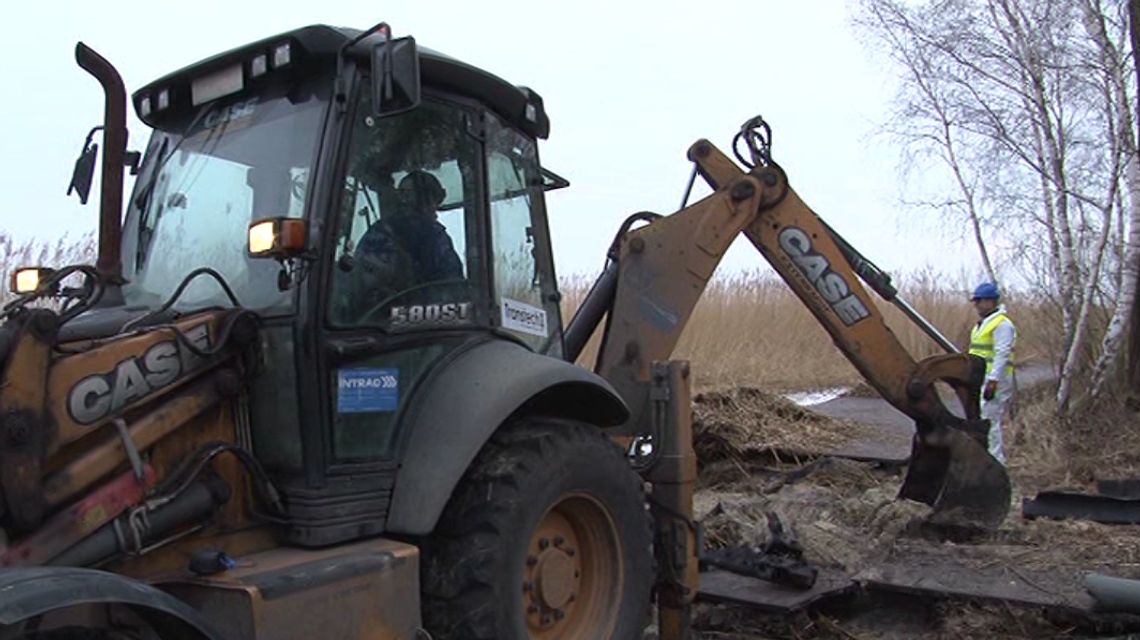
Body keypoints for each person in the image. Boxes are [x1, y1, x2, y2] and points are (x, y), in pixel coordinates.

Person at [354, 170, 464, 297]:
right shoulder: (378, 237)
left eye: (408, 195)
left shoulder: (436, 239)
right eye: (403, 195)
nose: (404, 201)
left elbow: (455, 289)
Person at [968, 282, 1016, 465]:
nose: (977, 305)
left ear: (991, 301)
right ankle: (985, 459)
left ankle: (996, 463)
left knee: (990, 422)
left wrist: (993, 381)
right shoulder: (982, 324)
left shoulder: (1002, 325)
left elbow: (1002, 353)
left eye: (979, 301)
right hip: (982, 379)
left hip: (994, 381)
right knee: (983, 419)